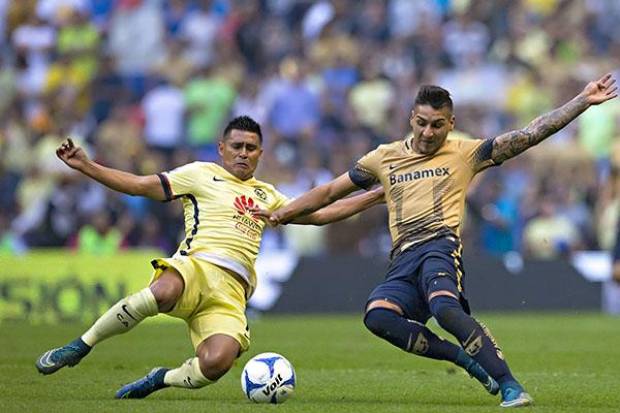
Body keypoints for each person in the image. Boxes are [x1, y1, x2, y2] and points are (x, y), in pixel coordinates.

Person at [259, 74, 618, 408]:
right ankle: (461, 357)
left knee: (446, 309)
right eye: (421, 123)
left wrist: (582, 101)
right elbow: (327, 195)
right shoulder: (383, 158)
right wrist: (282, 213)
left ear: (451, 124)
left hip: (440, 246)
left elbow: (530, 134)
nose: (428, 132)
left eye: (437, 125)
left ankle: (509, 383)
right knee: (377, 317)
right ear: (411, 119)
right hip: (401, 258)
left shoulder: (466, 153)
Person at [35, 115, 395, 399]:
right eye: (236, 146)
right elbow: (141, 185)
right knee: (163, 292)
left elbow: (320, 215)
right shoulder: (199, 174)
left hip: (231, 293)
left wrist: (376, 196)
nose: (243, 153)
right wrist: (87, 166)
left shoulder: (267, 195)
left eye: (251, 148)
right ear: (221, 149)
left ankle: (163, 378)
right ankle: (80, 346)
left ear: (260, 154)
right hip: (196, 266)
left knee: (216, 364)